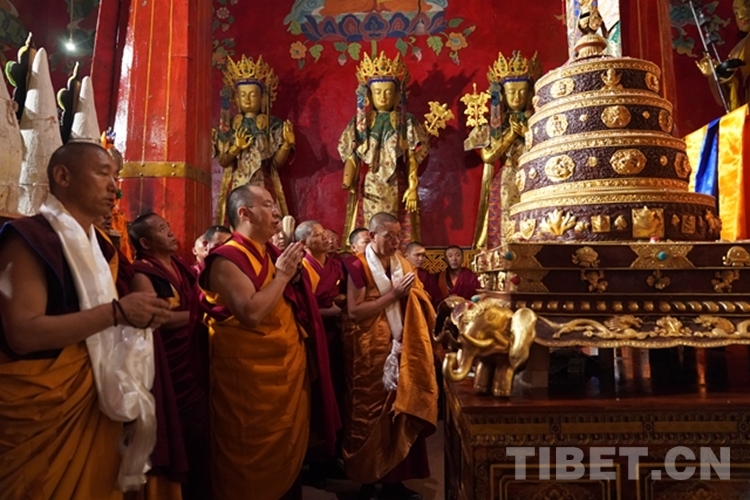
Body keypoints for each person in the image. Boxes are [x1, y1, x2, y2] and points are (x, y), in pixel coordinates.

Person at [0, 141, 171, 498]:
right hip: (43, 412)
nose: (115, 188)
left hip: (93, 402)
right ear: (63, 176)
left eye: (116, 177)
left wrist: (135, 317)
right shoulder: (30, 239)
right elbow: (23, 333)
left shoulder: (103, 248)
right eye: (103, 174)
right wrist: (117, 313)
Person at [200, 185, 339, 500]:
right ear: (244, 213)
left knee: (288, 451)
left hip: (287, 371)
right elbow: (250, 313)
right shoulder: (226, 259)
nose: (277, 212)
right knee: (248, 457)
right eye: (267, 205)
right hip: (249, 383)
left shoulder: (270, 253)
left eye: (275, 205)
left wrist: (288, 274)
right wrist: (283, 276)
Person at [342, 212, 437, 500]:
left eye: (399, 236)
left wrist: (412, 298)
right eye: (389, 236)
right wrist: (394, 295)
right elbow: (355, 312)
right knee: (369, 414)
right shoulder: (357, 265)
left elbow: (420, 299)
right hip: (371, 352)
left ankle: (395, 481)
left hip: (404, 346)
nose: (396, 242)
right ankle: (367, 480)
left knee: (402, 410)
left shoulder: (403, 264)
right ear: (372, 236)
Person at [129, 213, 211, 500]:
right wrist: (201, 316)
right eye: (162, 229)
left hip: (193, 359)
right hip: (167, 367)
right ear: (145, 243)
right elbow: (156, 319)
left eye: (168, 226)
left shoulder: (180, 266)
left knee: (201, 434)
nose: (170, 232)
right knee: (179, 432)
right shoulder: (142, 273)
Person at [338, 52, 430, 246]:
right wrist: (348, 178)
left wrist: (413, 188)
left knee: (395, 229)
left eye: (388, 92)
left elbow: (412, 157)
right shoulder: (361, 122)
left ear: (396, 95)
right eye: (377, 92)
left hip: (396, 183)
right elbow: (352, 154)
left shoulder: (406, 122)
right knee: (370, 228)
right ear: (369, 95)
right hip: (370, 183)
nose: (382, 96)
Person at [466, 51, 540, 248]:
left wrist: (527, 133)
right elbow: (488, 156)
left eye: (522, 92)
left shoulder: (538, 121)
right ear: (503, 95)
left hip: (534, 175)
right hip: (507, 176)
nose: (516, 97)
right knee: (505, 220)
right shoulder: (495, 125)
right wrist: (510, 136)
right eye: (511, 92)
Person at [214, 54, 295, 224]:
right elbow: (223, 161)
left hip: (264, 180)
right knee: (239, 217)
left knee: (266, 217)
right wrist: (236, 147)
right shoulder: (228, 125)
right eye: (243, 95)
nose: (247, 99)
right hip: (238, 180)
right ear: (236, 99)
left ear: (263, 98)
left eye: (253, 95)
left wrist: (286, 144)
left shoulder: (273, 125)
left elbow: (275, 164)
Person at [698, 0, 750, 111]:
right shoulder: (737, 51)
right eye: (736, 12)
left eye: (748, 7)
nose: (741, 16)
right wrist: (714, 74)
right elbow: (726, 100)